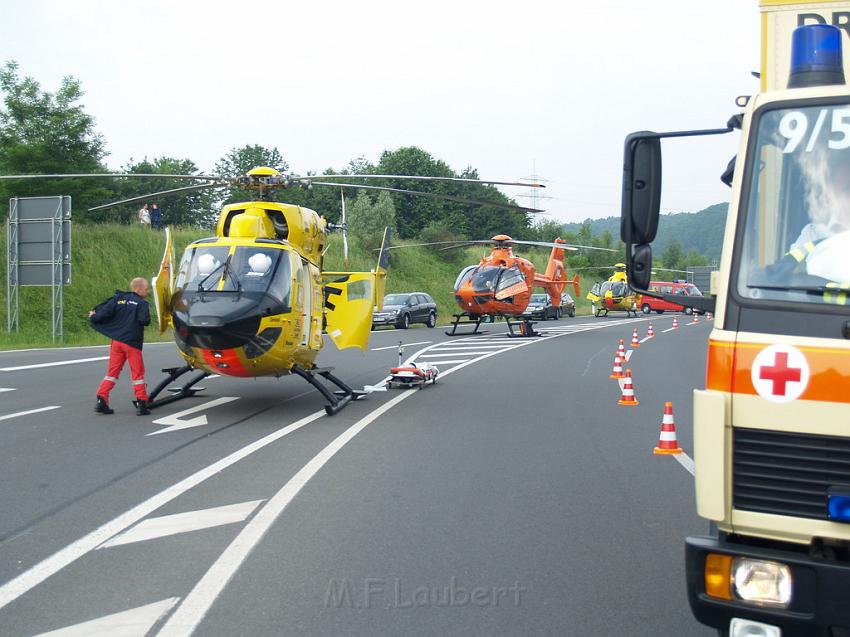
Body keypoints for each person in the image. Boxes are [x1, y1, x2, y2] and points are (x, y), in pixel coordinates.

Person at [89, 277, 152, 415]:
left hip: (117, 342)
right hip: (132, 343)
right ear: (138, 288)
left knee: (112, 373)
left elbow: (102, 314)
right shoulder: (142, 303)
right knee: (137, 373)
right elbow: (144, 320)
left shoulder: (118, 299)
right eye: (147, 289)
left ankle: (101, 399)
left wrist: (93, 316)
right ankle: (142, 404)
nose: (148, 292)